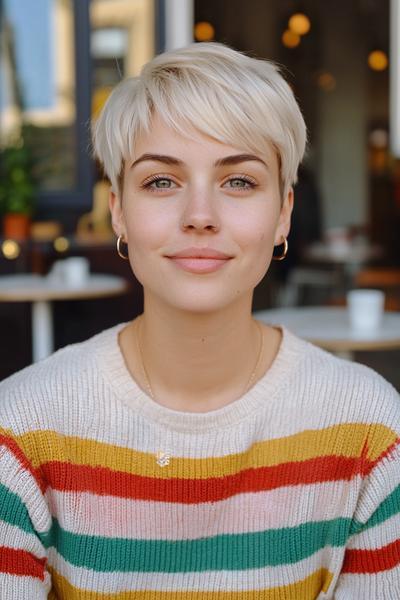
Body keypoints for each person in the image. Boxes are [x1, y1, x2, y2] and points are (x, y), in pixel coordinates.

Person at [0, 42, 399, 599]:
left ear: (283, 212)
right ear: (118, 209)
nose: (200, 216)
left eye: (239, 181)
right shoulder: (21, 433)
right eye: (161, 181)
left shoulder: (370, 432)